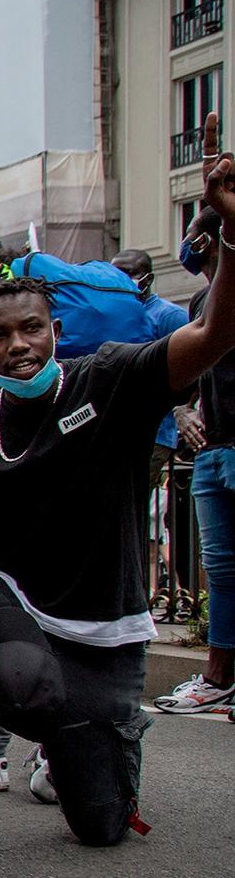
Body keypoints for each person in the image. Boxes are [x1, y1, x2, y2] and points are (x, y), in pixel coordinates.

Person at [0, 118, 235, 863]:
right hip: (16, 611)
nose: (17, 346)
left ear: (55, 328)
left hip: (102, 632)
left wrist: (229, 234)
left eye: (30, 329)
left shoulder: (113, 377)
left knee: (100, 826)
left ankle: (87, 744)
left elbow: (214, 337)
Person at [151, 210, 235, 716]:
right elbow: (187, 377)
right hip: (212, 452)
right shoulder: (202, 301)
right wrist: (184, 412)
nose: (184, 244)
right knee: (222, 573)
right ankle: (218, 678)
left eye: (189, 233)